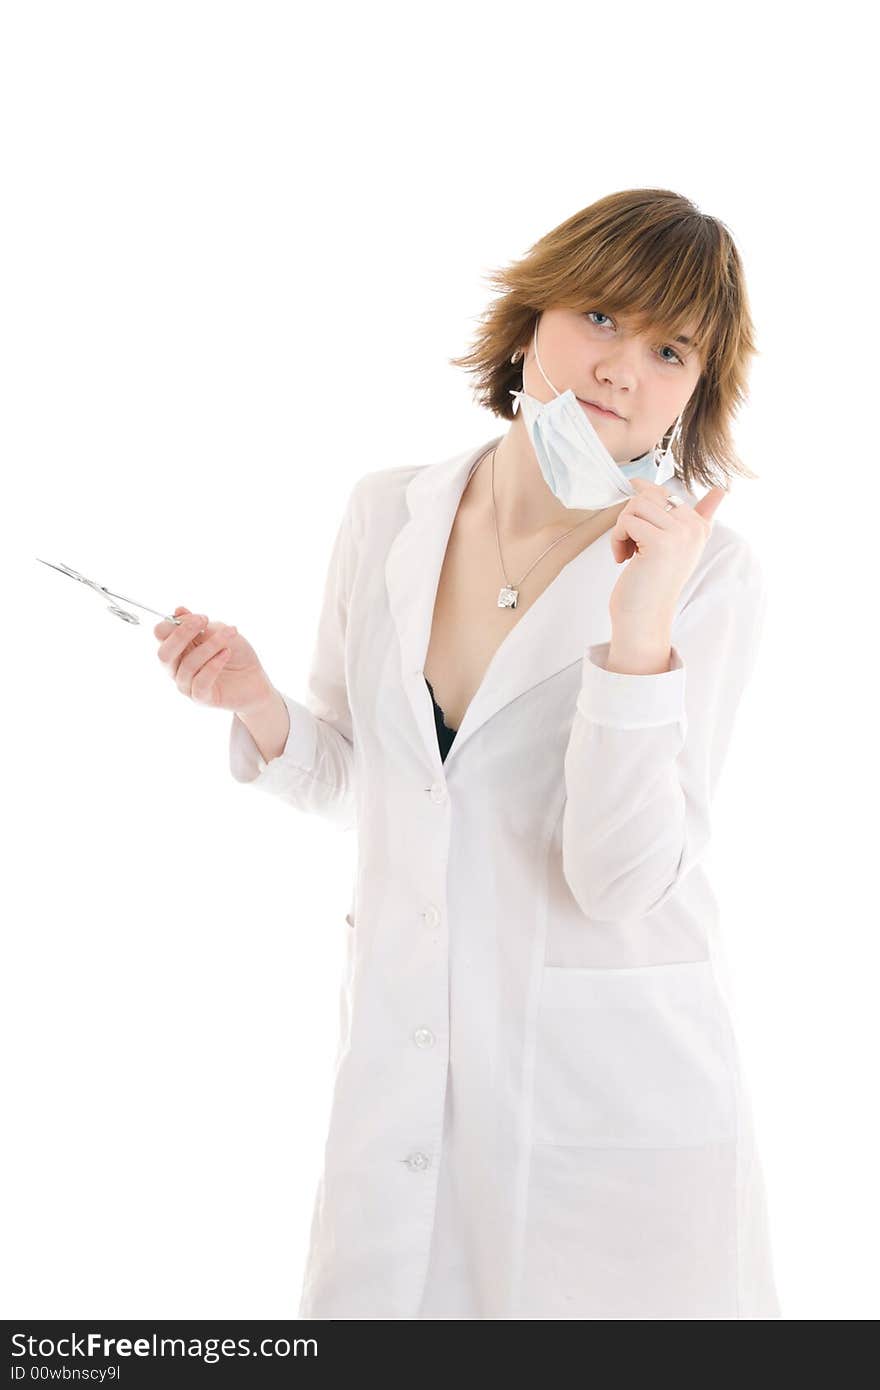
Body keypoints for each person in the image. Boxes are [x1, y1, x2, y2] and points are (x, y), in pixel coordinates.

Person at [153, 188, 782, 1320]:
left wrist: (638, 633)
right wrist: (256, 706)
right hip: (410, 1063)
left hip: (613, 1100)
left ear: (694, 393)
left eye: (669, 347)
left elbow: (622, 878)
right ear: (531, 318)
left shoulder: (708, 575)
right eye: (598, 315)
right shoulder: (388, 511)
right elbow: (366, 785)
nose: (620, 367)